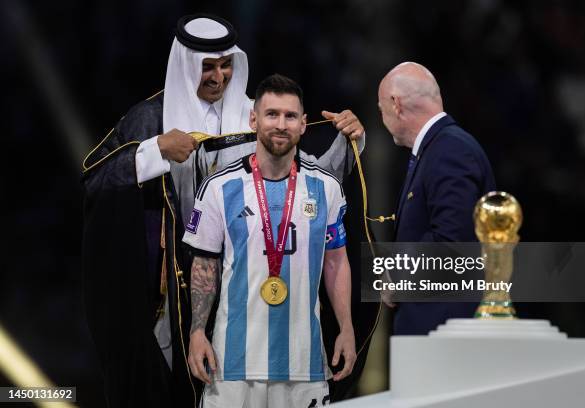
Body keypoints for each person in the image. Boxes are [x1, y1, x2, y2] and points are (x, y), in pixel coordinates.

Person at [82, 14, 364, 407]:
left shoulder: (256, 115)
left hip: (242, 286)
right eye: (207, 67)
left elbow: (312, 187)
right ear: (185, 64)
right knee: (163, 385)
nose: (219, 77)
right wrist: (156, 150)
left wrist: (351, 142)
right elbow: (96, 179)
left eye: (226, 64)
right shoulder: (150, 118)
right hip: (169, 286)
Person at [182, 74, 356, 407]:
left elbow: (336, 260)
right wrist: (196, 330)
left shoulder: (327, 188)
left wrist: (346, 328)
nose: (281, 124)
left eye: (290, 116)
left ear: (304, 124)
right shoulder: (219, 186)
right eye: (272, 114)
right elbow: (205, 263)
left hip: (303, 365)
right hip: (231, 363)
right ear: (254, 119)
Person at [377, 62, 496, 334]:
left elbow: (452, 244)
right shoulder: (439, 148)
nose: (382, 116)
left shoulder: (449, 150)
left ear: (395, 104)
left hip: (443, 333)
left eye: (380, 107)